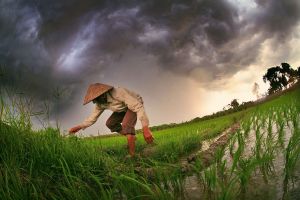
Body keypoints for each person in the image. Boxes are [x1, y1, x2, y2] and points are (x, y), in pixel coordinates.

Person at [69, 83, 154, 157]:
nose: (96, 102)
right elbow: (92, 118)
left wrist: (145, 128)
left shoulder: (118, 93)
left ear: (103, 94)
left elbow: (137, 107)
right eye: (94, 101)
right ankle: (131, 137)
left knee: (126, 125)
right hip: (122, 109)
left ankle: (132, 155)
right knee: (110, 123)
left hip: (135, 103)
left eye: (96, 99)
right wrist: (78, 127)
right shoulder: (100, 103)